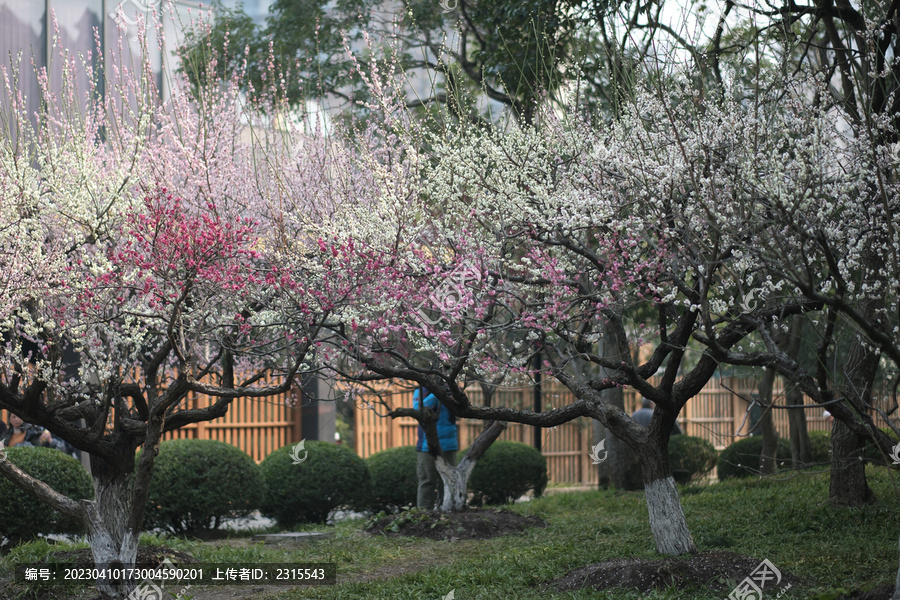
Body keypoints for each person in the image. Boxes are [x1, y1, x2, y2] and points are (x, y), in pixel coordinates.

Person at [414, 386, 459, 510]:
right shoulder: (421, 391)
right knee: (426, 481)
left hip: (448, 444)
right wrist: (438, 393)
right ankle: (423, 513)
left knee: (448, 481)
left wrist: (456, 397)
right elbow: (418, 408)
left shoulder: (452, 388)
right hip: (426, 444)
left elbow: (462, 408)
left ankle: (447, 510)